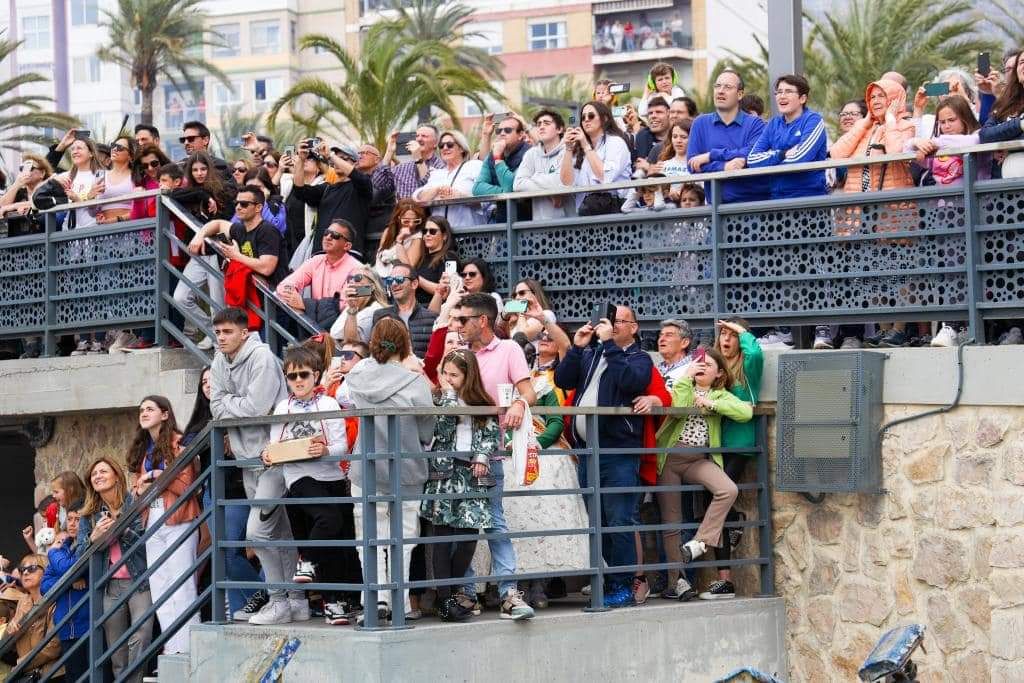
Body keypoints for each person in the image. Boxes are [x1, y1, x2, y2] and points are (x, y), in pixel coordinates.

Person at [554, 304, 653, 608]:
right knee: (597, 521)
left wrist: (609, 344)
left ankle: (622, 585)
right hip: (587, 452)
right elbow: (563, 380)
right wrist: (577, 348)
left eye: (618, 322)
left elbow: (631, 382)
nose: (611, 326)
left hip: (618, 452)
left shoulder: (639, 358)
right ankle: (608, 581)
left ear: (633, 327)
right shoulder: (592, 353)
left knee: (618, 519)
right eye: (609, 322)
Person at [447, 292, 537, 619]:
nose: (456, 325)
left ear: (482, 321)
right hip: (456, 453)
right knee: (460, 526)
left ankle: (508, 592)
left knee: (494, 521)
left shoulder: (509, 348)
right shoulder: (456, 352)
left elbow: (528, 390)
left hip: (490, 453)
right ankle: (467, 592)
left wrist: (518, 403)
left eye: (463, 320)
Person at [208, 307, 299, 624]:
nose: (221, 338)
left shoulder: (261, 357)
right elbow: (215, 407)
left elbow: (255, 408)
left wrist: (230, 403)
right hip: (246, 460)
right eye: (217, 332)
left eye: (228, 332)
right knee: (280, 531)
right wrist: (235, 404)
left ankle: (277, 600)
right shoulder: (220, 359)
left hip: (273, 456)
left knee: (258, 533)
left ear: (244, 332)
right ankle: (296, 599)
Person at [344, 319, 435, 624]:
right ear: (405, 344)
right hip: (406, 466)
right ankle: (400, 600)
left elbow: (349, 396)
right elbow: (427, 429)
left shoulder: (357, 375)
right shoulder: (416, 382)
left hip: (366, 466)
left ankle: (374, 598)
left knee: (368, 536)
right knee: (405, 537)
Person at [262, 345, 355, 626]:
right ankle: (308, 559)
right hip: (298, 477)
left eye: (304, 374)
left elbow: (341, 446)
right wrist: (267, 454)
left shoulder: (328, 404)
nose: (298, 380)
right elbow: (274, 446)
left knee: (337, 544)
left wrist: (325, 450)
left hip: (332, 478)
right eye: (292, 376)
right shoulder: (282, 407)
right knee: (327, 519)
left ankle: (333, 602)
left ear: (316, 375)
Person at [654, 346, 752, 600]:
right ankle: (678, 582)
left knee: (728, 489)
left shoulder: (720, 395)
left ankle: (700, 543)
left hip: (699, 460)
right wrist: (687, 377)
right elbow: (681, 405)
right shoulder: (682, 385)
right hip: (671, 459)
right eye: (698, 363)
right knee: (672, 524)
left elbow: (745, 412)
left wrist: (712, 403)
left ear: (719, 373)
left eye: (707, 365)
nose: (701, 367)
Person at [830, 78, 916, 347]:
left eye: (882, 96)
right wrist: (865, 122)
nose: (877, 101)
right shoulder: (864, 130)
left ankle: (900, 328)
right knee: (871, 270)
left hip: (893, 208)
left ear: (895, 98)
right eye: (873, 97)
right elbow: (836, 153)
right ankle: (883, 327)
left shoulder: (906, 125)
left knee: (899, 268)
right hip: (861, 211)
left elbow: (896, 153)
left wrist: (890, 120)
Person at [421, 349, 498, 621]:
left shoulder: (482, 402)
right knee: (442, 538)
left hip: (472, 474)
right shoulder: (440, 401)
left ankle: (452, 593)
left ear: (468, 375)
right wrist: (450, 398)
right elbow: (441, 430)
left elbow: (491, 433)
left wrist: (482, 455)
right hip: (444, 473)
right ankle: (445, 600)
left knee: (467, 539)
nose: (448, 379)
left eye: (454, 375)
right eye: (445, 373)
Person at [127, 395, 200, 654]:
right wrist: (139, 489)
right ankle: (172, 648)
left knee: (183, 584)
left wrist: (159, 476)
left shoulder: (180, 443)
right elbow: (137, 489)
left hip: (178, 518)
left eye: (150, 408)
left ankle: (190, 647)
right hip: (152, 520)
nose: (144, 413)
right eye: (141, 409)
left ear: (165, 414)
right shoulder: (143, 448)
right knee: (160, 588)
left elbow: (186, 486)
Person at [77, 457, 153, 683]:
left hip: (140, 580)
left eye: (103, 471)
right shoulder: (89, 515)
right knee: (116, 650)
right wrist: (93, 539)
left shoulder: (135, 502)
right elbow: (80, 556)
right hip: (110, 586)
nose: (98, 476)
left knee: (142, 634)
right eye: (94, 474)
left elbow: (146, 541)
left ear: (116, 475)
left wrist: (120, 529)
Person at [710, 317, 763, 598]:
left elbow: (755, 352)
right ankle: (724, 579)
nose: (726, 339)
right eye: (722, 334)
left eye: (732, 335)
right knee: (713, 502)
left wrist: (743, 331)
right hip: (717, 444)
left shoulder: (748, 369)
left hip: (740, 444)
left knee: (718, 496)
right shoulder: (716, 370)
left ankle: (726, 578)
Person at [188, 185, 288, 333]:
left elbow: (267, 267)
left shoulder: (267, 231)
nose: (238, 207)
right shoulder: (240, 229)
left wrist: (236, 256)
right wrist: (199, 236)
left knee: (269, 352)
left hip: (271, 303)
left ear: (258, 207)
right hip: (251, 302)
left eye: (244, 204)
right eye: (237, 203)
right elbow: (218, 224)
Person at [687, 69, 769, 204]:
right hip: (717, 209)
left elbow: (753, 154)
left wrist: (711, 156)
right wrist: (724, 167)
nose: (720, 91)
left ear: (740, 94)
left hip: (756, 204)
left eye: (727, 87)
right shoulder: (700, 123)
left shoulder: (756, 124)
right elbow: (692, 164)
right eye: (717, 86)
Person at [746, 74, 828, 199]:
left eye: (788, 91)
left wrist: (769, 162)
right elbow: (752, 160)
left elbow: (800, 158)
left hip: (809, 198)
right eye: (779, 92)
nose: (782, 96)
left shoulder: (813, 120)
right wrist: (782, 154)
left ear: (802, 98)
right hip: (777, 198)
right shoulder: (773, 124)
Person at [291, 139, 373, 260]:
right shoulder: (326, 188)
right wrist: (301, 161)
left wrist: (330, 155)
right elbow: (300, 191)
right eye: (335, 159)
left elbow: (358, 177)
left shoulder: (362, 186)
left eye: (344, 159)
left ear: (355, 163)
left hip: (348, 253)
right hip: (321, 253)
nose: (336, 162)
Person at [276, 218, 361, 330]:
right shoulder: (315, 260)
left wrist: (305, 304)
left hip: (342, 329)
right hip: (314, 325)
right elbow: (283, 286)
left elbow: (343, 305)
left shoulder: (358, 269)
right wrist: (291, 293)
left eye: (335, 235)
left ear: (347, 246)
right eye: (326, 233)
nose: (328, 237)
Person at [559, 101, 632, 215]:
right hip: (585, 212)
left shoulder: (616, 142)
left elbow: (605, 177)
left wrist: (586, 145)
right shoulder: (580, 148)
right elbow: (567, 183)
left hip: (616, 212)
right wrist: (568, 149)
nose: (586, 120)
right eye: (583, 117)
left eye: (591, 116)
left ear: (604, 119)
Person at [41, 507, 88, 682]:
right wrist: (70, 581)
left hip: (88, 624)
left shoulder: (82, 548)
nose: (73, 524)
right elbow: (44, 586)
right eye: (69, 519)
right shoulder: (63, 547)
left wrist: (51, 552)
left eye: (78, 519)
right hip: (67, 627)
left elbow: (67, 568)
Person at [905, 95, 985, 187]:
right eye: (942, 122)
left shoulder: (977, 135)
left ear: (965, 117)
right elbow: (907, 151)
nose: (947, 126)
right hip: (939, 199)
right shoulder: (937, 147)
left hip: (971, 199)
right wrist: (915, 143)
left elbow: (973, 142)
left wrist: (934, 143)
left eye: (951, 120)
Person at [412, 130, 483, 228]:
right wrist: (437, 190)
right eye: (441, 146)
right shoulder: (437, 174)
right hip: (440, 237)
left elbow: (486, 198)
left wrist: (460, 197)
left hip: (469, 234)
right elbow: (418, 198)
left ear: (461, 148)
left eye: (449, 145)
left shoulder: (474, 165)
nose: (445, 148)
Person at [6, 553, 60, 679]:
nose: (25, 573)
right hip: (29, 675)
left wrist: (21, 664)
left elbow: (54, 646)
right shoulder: (23, 601)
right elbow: (13, 639)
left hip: (52, 674)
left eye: (32, 569)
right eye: (22, 570)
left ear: (46, 570)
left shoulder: (56, 599)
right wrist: (11, 628)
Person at [512, 109, 572, 220]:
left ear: (559, 129)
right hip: (539, 227)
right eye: (539, 124)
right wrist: (550, 192)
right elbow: (518, 184)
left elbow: (562, 183)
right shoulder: (531, 154)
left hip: (568, 224)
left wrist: (535, 176)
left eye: (546, 123)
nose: (541, 127)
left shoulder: (569, 150)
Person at [473, 114, 532, 223]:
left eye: (508, 130)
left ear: (521, 135)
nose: (502, 133)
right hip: (502, 223)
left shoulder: (530, 153)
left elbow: (510, 187)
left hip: (527, 223)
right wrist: (502, 192)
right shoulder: (493, 154)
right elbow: (477, 188)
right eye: (499, 131)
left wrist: (498, 159)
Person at [371, 262, 438, 358]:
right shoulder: (380, 315)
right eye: (390, 280)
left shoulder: (432, 318)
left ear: (414, 284)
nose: (394, 284)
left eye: (399, 279)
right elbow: (375, 352)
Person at [980, 48, 1024, 177]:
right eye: (1021, 62)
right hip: (1006, 187)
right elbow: (985, 134)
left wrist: (1009, 145)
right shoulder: (1006, 103)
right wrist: (1020, 125)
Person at [329, 265, 389, 345]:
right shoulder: (354, 305)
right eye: (351, 278)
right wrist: (351, 308)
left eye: (358, 277)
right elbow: (334, 332)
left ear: (371, 287)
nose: (353, 281)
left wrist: (352, 310)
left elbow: (352, 340)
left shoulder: (376, 310)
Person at [55, 137, 104, 231]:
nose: (75, 151)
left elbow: (99, 209)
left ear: (91, 153)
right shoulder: (64, 176)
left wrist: (77, 200)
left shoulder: (100, 175)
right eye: (72, 149)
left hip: (92, 230)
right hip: (67, 232)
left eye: (79, 148)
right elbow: (44, 171)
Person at [0, 154, 52, 238]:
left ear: (42, 173)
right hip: (18, 245)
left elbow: (42, 201)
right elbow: (2, 206)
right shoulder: (18, 193)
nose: (25, 172)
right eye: (22, 169)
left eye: (30, 168)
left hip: (44, 241)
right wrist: (16, 184)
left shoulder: (49, 189)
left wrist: (14, 206)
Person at [374, 199, 427, 277]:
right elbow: (379, 256)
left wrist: (400, 241)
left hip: (396, 279)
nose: (411, 225)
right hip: (379, 275)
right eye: (406, 221)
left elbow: (409, 269)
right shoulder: (388, 231)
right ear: (397, 219)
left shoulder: (417, 237)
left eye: (416, 221)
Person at [96, 135, 142, 224]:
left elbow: (141, 208)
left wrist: (115, 220)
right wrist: (97, 215)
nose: (115, 149)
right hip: (103, 231)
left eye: (120, 147)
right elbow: (93, 209)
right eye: (113, 146)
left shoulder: (137, 176)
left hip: (131, 228)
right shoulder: (100, 175)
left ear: (130, 156)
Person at [413, 215, 459, 305]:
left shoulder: (449, 257)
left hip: (435, 310)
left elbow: (446, 292)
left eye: (433, 231)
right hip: (415, 308)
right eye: (425, 231)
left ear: (444, 236)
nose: (427, 234)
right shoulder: (421, 258)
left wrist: (418, 279)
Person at [392, 124, 445, 200]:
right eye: (417, 136)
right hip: (404, 210)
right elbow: (380, 182)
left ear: (435, 143)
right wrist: (389, 151)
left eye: (424, 136)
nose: (419, 139)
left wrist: (418, 158)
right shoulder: (403, 168)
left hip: (430, 210)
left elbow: (428, 187)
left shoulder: (442, 165)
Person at [832, 100, 868, 190]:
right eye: (843, 114)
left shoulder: (870, 141)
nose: (847, 117)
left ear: (865, 117)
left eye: (853, 113)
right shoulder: (836, 147)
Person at [657, 319, 694, 391]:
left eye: (669, 335)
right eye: (660, 335)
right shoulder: (654, 370)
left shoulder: (694, 368)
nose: (661, 339)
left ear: (684, 343)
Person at [634, 96, 671, 165]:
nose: (653, 116)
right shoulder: (642, 136)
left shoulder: (678, 137)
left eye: (659, 112)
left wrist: (649, 167)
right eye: (650, 113)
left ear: (669, 113)